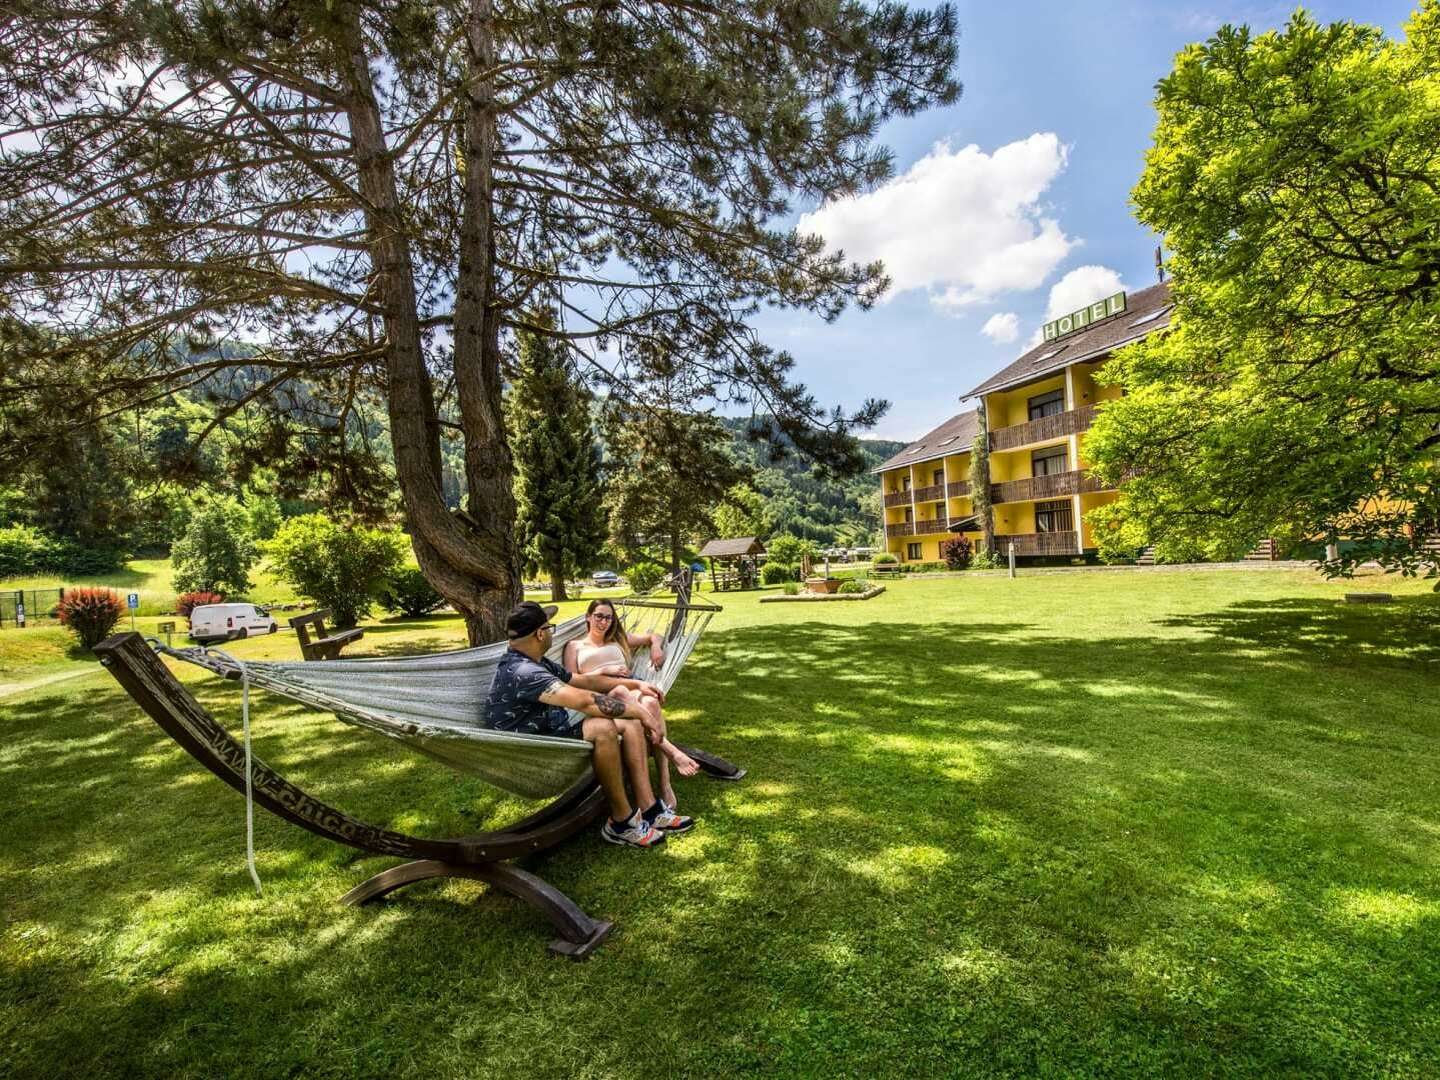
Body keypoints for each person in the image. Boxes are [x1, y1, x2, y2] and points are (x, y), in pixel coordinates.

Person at [483, 601, 682, 848]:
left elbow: (583, 681)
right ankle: (621, 822)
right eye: (550, 626)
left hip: (549, 732)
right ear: (540, 634)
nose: (552, 632)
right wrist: (641, 712)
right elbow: (586, 702)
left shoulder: (537, 661)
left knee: (628, 724)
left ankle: (649, 809)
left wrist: (636, 686)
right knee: (603, 727)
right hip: (531, 748)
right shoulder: (525, 672)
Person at [564, 599, 698, 831]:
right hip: (603, 701)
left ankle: (665, 784)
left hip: (633, 692)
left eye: (608, 617)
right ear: (588, 617)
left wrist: (656, 647)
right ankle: (670, 751)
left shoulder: (618, 640)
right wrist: (604, 670)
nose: (604, 622)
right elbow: (571, 681)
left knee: (650, 702)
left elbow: (652, 636)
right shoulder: (574, 646)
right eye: (599, 616)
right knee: (622, 691)